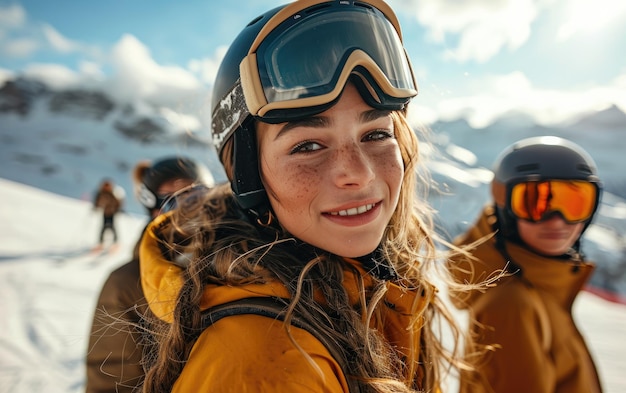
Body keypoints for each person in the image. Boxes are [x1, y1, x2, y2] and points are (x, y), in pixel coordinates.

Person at [139, 1, 474, 392]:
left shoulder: (378, 286)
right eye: (308, 146)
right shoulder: (262, 364)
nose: (360, 173)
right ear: (250, 175)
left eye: (377, 134)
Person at [449, 136, 604, 393]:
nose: (557, 221)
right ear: (504, 205)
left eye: (574, 203)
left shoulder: (540, 289)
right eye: (534, 202)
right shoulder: (511, 304)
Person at [85, 157, 214, 393]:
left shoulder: (243, 257)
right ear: (154, 209)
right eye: (171, 200)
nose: (186, 208)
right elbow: (112, 382)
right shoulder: (127, 284)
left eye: (194, 196)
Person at [93, 179, 124, 247]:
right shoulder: (101, 193)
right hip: (105, 213)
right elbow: (97, 202)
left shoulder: (112, 194)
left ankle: (115, 242)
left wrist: (118, 209)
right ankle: (101, 242)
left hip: (111, 213)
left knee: (112, 227)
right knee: (103, 227)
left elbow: (117, 202)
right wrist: (95, 206)